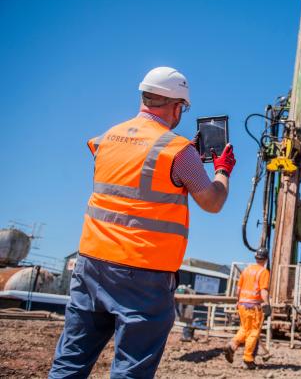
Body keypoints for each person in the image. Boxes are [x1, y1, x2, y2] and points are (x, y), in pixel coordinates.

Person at [49, 66, 237, 378]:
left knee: (70, 362)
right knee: (130, 370)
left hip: (91, 263)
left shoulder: (106, 138)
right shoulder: (178, 150)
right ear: (177, 106)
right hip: (144, 273)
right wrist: (223, 170)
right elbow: (212, 201)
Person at [224, 247, 272, 369]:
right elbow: (263, 291)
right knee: (253, 332)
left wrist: (237, 301)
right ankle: (248, 359)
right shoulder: (264, 272)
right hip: (254, 306)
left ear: (256, 258)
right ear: (266, 259)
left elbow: (238, 289)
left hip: (242, 305)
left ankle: (232, 345)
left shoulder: (246, 270)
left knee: (245, 329)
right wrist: (266, 304)